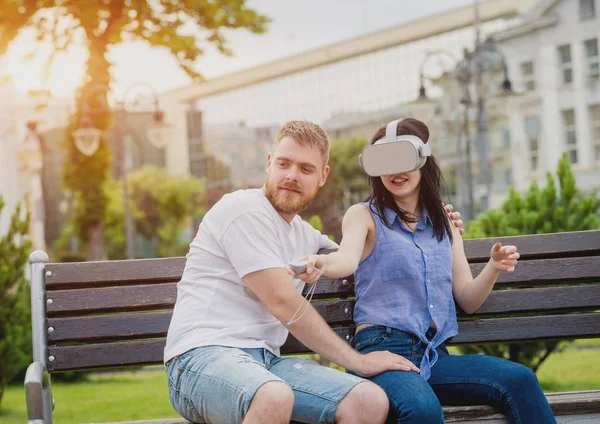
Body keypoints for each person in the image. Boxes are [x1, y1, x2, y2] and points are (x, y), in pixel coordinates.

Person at [165, 120, 466, 424]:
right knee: (273, 395)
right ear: (270, 164)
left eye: (306, 169)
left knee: (368, 400)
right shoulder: (242, 209)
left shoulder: (306, 236)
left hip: (266, 363)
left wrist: (435, 229)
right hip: (199, 359)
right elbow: (283, 302)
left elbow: (364, 254)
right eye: (284, 164)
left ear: (322, 176)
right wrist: (358, 362)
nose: (292, 176)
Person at [288, 118, 556, 424]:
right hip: (381, 352)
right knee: (423, 409)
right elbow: (346, 259)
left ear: (422, 160)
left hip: (434, 356)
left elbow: (467, 299)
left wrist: (494, 267)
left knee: (520, 380)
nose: (394, 171)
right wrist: (322, 263)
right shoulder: (363, 215)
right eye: (384, 162)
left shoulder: (443, 221)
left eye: (402, 159)